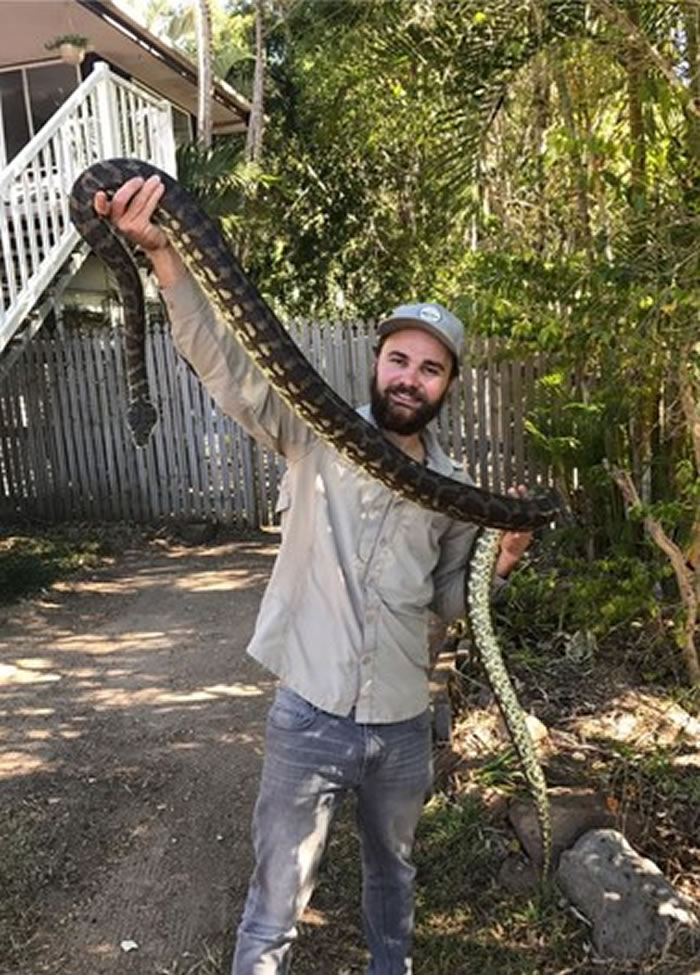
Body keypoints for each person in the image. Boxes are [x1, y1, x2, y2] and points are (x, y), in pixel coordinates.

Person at [94, 174, 532, 975]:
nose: (410, 377)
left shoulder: (457, 490)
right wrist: (164, 259)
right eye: (399, 359)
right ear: (378, 363)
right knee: (276, 898)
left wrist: (497, 561)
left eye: (430, 369)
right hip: (310, 716)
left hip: (402, 723)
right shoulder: (312, 432)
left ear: (446, 386)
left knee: (394, 878)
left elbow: (446, 602)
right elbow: (225, 364)